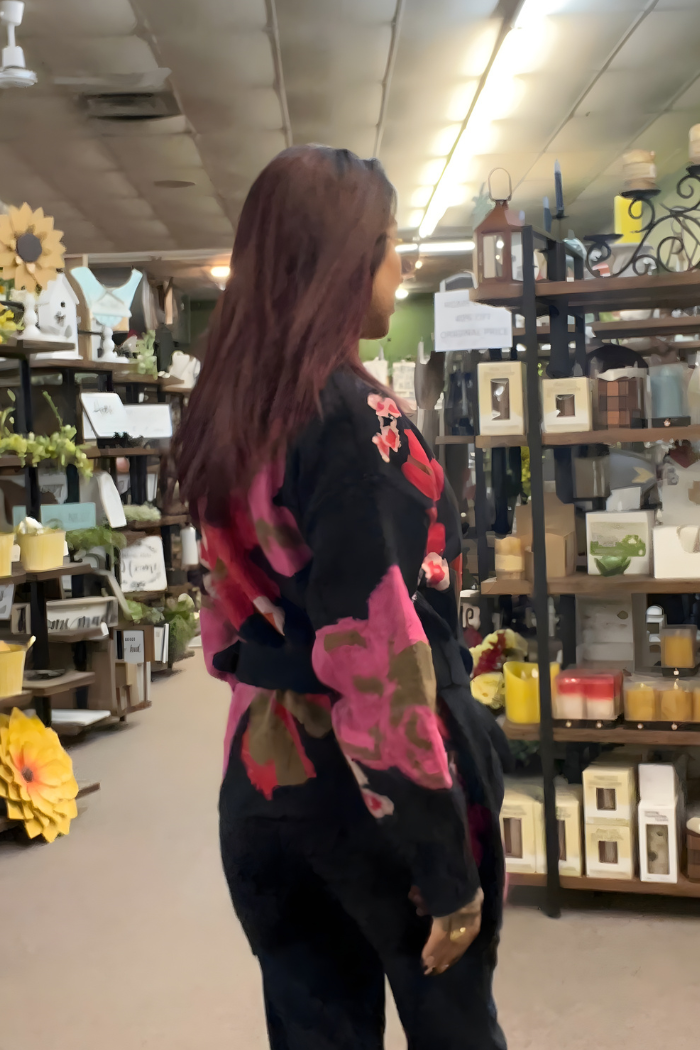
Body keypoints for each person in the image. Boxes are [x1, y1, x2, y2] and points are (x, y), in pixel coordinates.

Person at [175, 144, 508, 1050]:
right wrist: (442, 859)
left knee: (313, 1027)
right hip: (378, 796)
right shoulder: (359, 419)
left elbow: (223, 624)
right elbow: (377, 650)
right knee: (456, 1030)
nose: (400, 264)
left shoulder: (226, 412)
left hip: (262, 775)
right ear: (343, 261)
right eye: (389, 242)